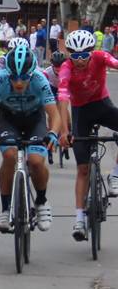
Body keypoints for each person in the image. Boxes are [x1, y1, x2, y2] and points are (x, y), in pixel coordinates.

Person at [0, 43, 60, 233]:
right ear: (7, 73)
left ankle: (41, 201)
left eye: (24, 78)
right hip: (8, 119)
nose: (19, 83)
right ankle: (5, 209)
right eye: (13, 77)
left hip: (34, 119)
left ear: (32, 73)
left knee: (36, 161)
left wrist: (53, 133)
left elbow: (54, 115)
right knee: (9, 156)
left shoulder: (40, 80)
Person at [56, 29, 118, 240]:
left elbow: (116, 63)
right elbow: (63, 100)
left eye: (84, 55)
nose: (80, 60)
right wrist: (65, 132)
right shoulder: (66, 68)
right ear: (69, 54)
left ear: (92, 52)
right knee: (83, 169)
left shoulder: (100, 57)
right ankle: (80, 219)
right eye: (75, 55)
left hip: (102, 105)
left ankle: (115, 175)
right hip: (81, 112)